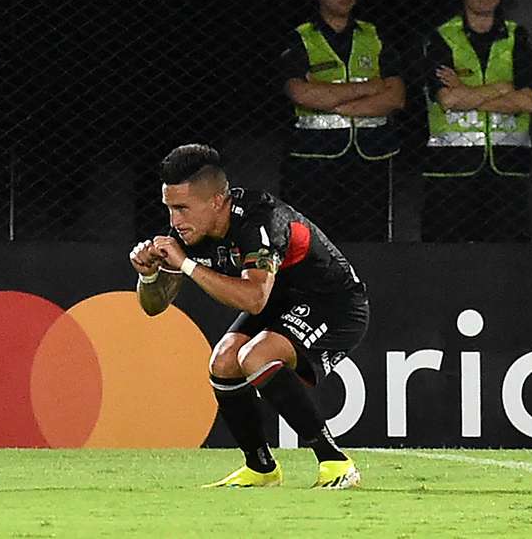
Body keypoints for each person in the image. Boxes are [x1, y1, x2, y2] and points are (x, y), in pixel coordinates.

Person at [129, 144, 368, 489]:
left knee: (255, 356)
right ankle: (261, 468)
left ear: (216, 201)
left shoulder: (260, 220)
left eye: (181, 208)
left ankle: (336, 463)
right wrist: (149, 275)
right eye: (169, 208)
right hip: (280, 300)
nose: (173, 221)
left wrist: (184, 264)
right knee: (223, 361)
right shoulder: (191, 231)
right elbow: (154, 306)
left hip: (335, 303)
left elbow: (254, 299)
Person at [279, 0, 405, 242]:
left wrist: (330, 97)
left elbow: (396, 97)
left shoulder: (374, 36)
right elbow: (299, 92)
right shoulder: (301, 38)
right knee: (313, 244)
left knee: (370, 242)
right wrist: (370, 87)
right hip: (314, 160)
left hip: (371, 158)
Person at [422, 0, 532, 242]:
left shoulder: (517, 37)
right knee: (446, 257)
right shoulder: (441, 38)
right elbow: (447, 100)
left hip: (508, 169)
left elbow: (527, 102)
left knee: (508, 258)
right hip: (451, 171)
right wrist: (501, 88)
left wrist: (466, 92)